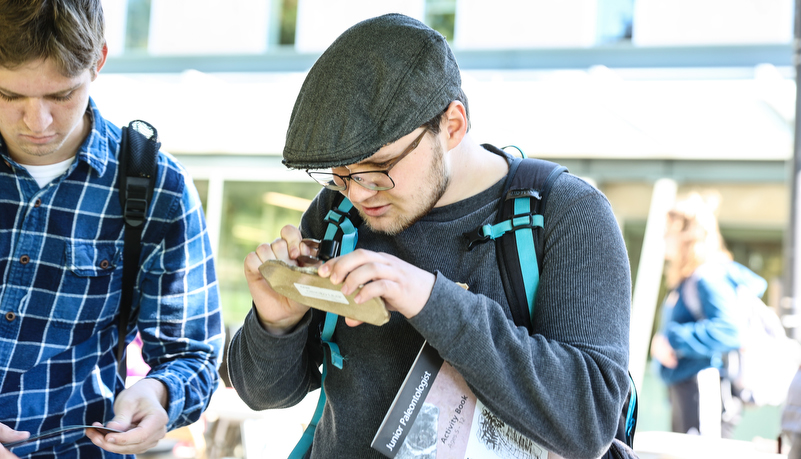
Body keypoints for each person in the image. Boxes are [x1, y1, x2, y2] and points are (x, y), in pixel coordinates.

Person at [227, 13, 632, 459]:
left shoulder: (566, 214)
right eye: (339, 175)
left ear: (452, 125)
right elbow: (265, 394)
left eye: (380, 168)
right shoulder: (338, 213)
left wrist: (429, 299)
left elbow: (589, 422)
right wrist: (276, 324)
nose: (360, 193)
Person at [0, 1, 224, 457]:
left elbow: (192, 355)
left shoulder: (158, 186)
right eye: (8, 96)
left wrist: (158, 395)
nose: (37, 122)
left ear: (98, 60)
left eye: (61, 95)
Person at [650, 192, 766, 438]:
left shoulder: (707, 278)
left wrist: (672, 339)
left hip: (705, 389)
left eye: (668, 231)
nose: (663, 238)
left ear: (686, 236)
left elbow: (729, 330)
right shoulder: (688, 280)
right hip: (690, 390)